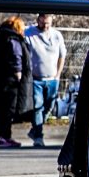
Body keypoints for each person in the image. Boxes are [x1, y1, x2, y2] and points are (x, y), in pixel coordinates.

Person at [0, 16, 33, 148]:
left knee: (2, 110)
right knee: (7, 110)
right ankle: (0, 137)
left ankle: (4, 136)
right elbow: (16, 58)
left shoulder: (2, 39)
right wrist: (19, 75)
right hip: (10, 83)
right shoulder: (13, 40)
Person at [24, 13, 67, 148]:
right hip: (36, 79)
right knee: (38, 107)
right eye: (43, 23)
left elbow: (62, 55)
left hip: (52, 78)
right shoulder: (29, 33)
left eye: (48, 23)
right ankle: (38, 136)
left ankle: (35, 129)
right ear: (38, 20)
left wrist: (58, 74)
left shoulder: (57, 35)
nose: (46, 26)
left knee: (49, 106)